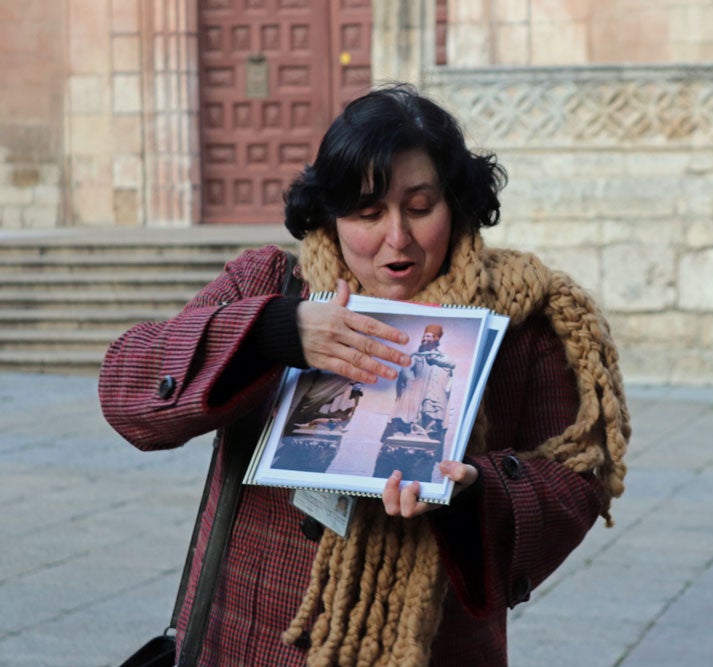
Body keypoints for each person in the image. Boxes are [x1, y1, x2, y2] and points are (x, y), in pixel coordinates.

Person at [99, 83, 629, 667]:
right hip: (248, 638)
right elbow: (127, 387)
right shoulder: (270, 285)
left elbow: (575, 482)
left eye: (421, 207)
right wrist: (277, 333)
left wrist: (475, 492)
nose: (396, 238)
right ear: (330, 214)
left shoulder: (522, 320)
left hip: (433, 649)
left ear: (455, 202)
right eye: (367, 213)